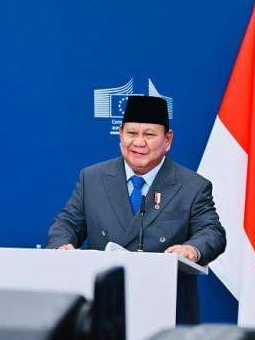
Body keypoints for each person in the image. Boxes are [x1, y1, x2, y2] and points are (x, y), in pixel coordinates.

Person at [47, 95, 226, 323]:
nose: (139, 143)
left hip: (166, 310)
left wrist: (192, 249)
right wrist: (61, 245)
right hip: (105, 310)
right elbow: (67, 223)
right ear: (120, 134)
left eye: (149, 135)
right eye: (131, 133)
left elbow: (212, 232)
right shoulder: (92, 178)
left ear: (168, 139)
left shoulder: (193, 186)